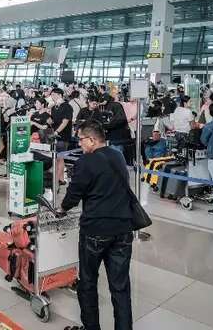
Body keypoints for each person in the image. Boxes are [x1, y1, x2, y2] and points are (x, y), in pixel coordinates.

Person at [58, 120, 133, 330]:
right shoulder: (117, 155)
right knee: (120, 287)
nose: (80, 144)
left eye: (81, 140)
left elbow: (74, 193)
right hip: (123, 228)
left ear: (92, 139)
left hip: (96, 230)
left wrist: (62, 208)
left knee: (88, 283)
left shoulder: (86, 162)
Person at [49, 88, 73, 185]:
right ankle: (60, 178)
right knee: (55, 157)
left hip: (63, 136)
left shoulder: (67, 107)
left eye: (54, 95)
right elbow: (53, 121)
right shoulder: (54, 107)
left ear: (60, 95)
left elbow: (65, 121)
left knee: (60, 157)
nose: (52, 97)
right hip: (54, 135)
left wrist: (57, 131)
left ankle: (59, 179)